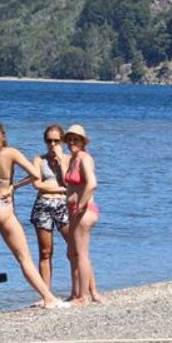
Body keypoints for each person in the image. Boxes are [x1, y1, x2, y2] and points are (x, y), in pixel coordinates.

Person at [0, 119, 65, 309]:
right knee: (23, 257)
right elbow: (35, 175)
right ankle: (48, 298)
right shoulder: (10, 153)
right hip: (2, 206)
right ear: (0, 134)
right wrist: (14, 186)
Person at [16, 124, 74, 292]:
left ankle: (77, 290)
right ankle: (45, 293)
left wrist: (60, 161)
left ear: (62, 141)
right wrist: (60, 189)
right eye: (49, 141)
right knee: (45, 252)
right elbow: (37, 184)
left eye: (56, 140)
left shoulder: (69, 159)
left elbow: (68, 183)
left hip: (63, 205)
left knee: (74, 247)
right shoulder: (39, 160)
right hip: (44, 205)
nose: (53, 144)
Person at [63, 124, 103, 304]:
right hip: (74, 211)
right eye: (69, 139)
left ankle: (82, 296)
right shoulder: (73, 158)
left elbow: (92, 183)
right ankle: (78, 293)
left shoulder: (85, 158)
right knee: (73, 253)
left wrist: (81, 204)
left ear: (83, 142)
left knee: (81, 254)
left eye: (76, 139)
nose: (72, 142)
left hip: (84, 211)